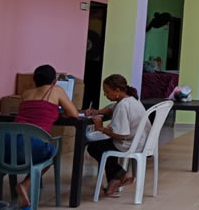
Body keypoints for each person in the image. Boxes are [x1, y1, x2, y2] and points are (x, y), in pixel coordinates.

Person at [13, 65, 79, 208]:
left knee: (4, 157)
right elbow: (73, 113)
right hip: (34, 147)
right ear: (54, 81)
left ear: (34, 79)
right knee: (51, 153)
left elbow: (32, 114)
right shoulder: (56, 91)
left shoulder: (25, 93)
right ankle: (25, 184)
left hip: (10, 147)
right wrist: (57, 113)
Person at [85, 74, 150, 197]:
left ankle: (121, 175)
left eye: (107, 92)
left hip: (130, 143)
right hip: (142, 141)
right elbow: (111, 108)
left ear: (117, 91)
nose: (105, 95)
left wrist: (100, 128)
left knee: (94, 148)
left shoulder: (123, 106)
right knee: (105, 147)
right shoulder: (130, 99)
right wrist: (97, 111)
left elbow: (120, 135)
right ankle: (115, 181)